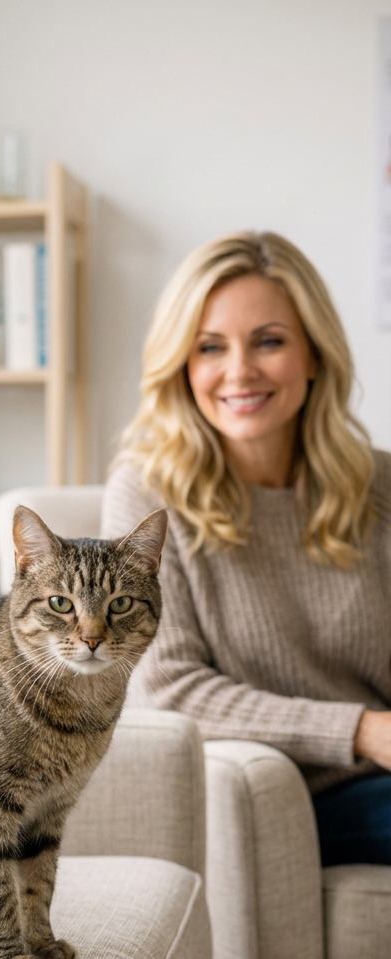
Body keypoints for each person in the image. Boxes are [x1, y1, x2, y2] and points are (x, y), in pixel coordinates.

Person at [101, 231, 390, 865]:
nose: (239, 371)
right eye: (210, 347)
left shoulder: (380, 484)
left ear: (313, 355)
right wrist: (362, 730)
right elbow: (167, 689)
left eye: (270, 340)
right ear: (182, 364)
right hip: (279, 796)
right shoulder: (149, 496)